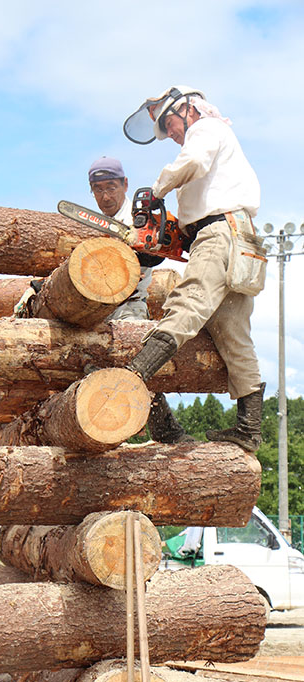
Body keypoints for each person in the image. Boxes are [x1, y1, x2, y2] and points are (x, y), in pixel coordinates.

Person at [121, 86, 265, 452]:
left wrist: (158, 189)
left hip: (220, 234)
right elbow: (205, 196)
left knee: (187, 303)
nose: (170, 133)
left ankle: (132, 377)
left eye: (169, 123)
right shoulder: (221, 141)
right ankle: (249, 428)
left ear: (188, 109)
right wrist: (181, 235)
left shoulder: (206, 130)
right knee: (231, 330)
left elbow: (193, 163)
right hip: (242, 238)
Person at [88, 156, 193, 444]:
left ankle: (166, 430)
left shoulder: (138, 218)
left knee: (138, 360)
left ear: (124, 185)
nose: (105, 196)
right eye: (98, 190)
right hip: (95, 311)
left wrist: (147, 252)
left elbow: (155, 250)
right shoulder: (95, 224)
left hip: (129, 306)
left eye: (110, 187)